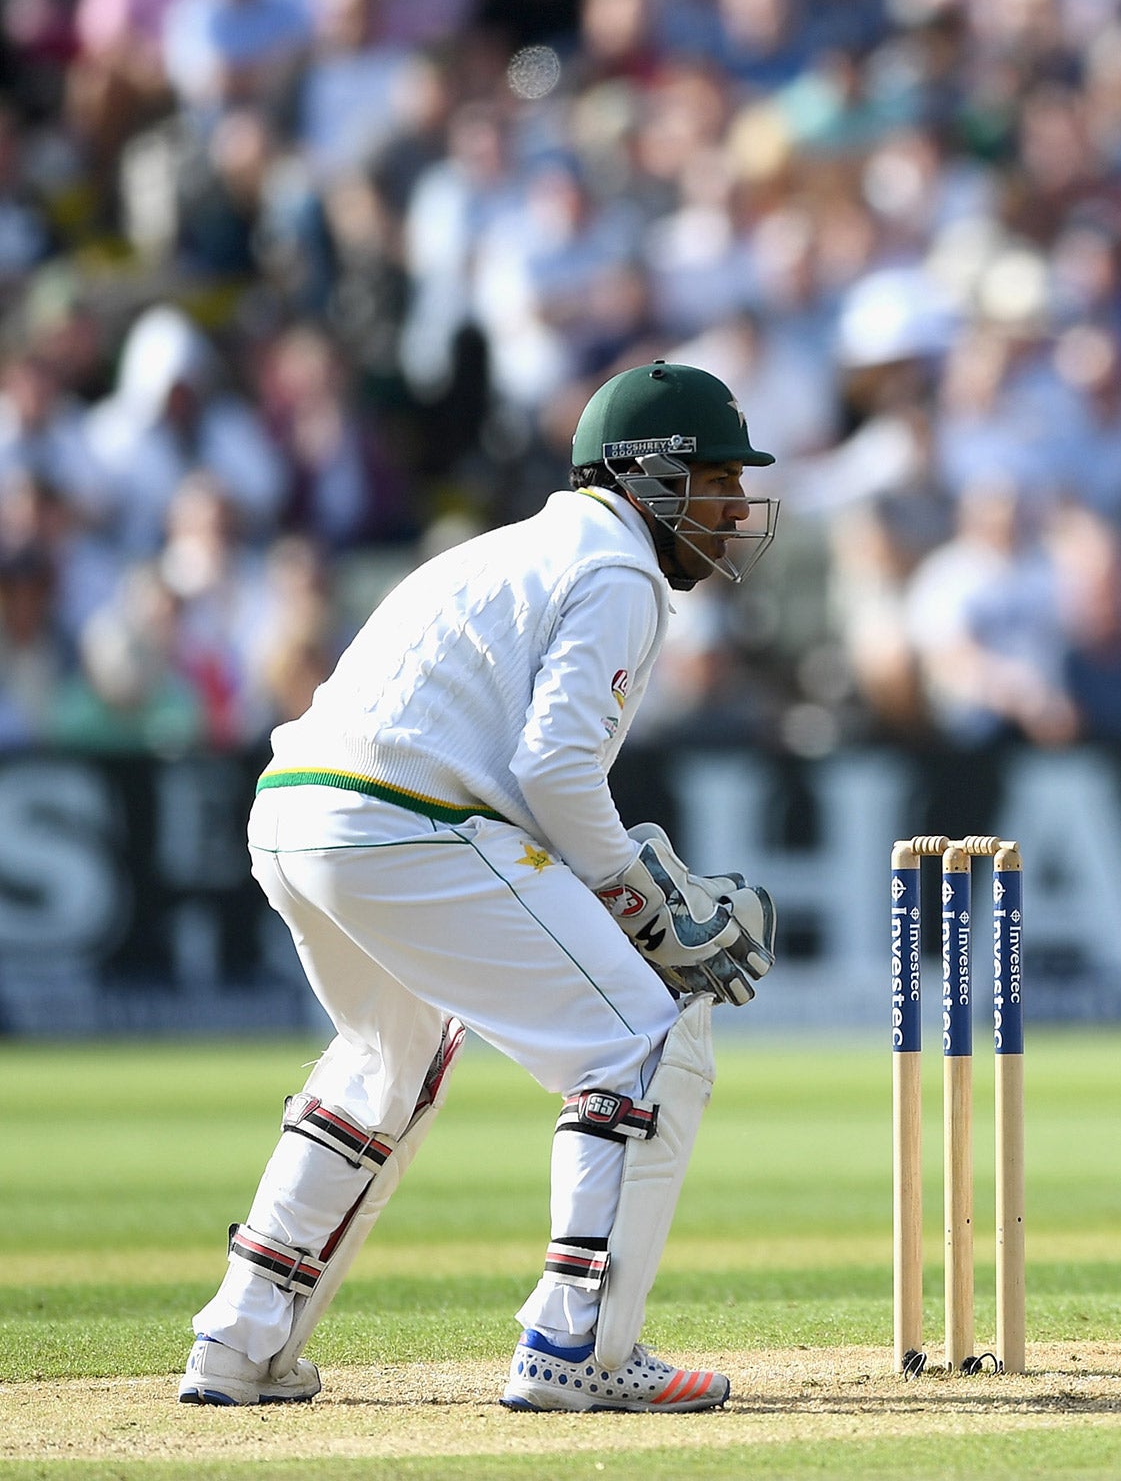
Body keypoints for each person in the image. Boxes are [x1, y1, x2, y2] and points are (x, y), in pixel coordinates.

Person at [179, 362, 782, 1411]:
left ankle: (238, 1341)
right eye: (719, 480)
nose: (734, 509)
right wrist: (633, 894)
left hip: (293, 813)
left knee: (388, 1061)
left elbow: (519, 766)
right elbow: (555, 768)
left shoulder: (513, 547)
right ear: (649, 477)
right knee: (642, 1044)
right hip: (400, 820)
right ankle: (577, 1346)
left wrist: (617, 886)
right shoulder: (619, 570)